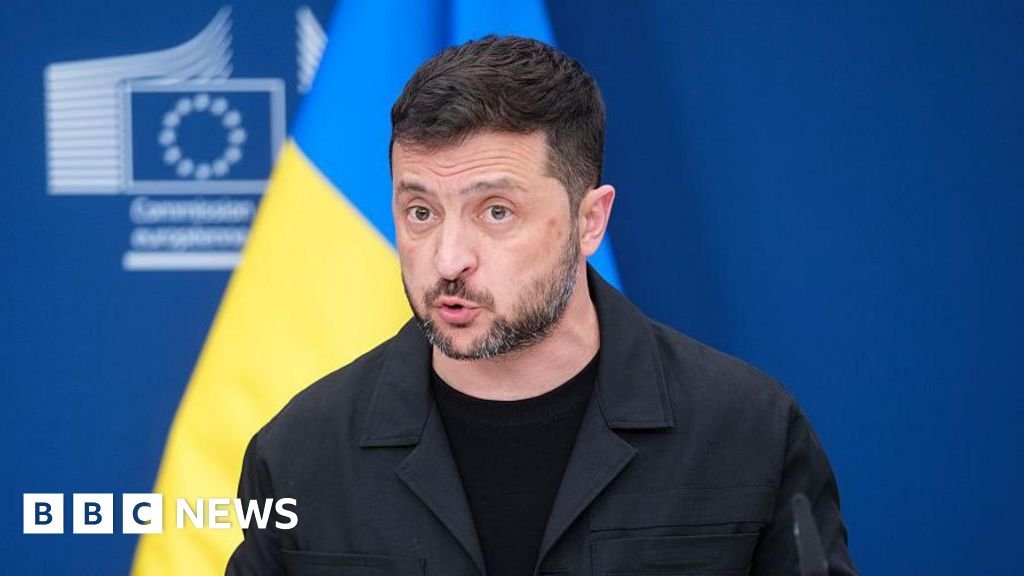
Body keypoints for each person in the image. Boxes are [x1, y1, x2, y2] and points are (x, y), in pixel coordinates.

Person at [227, 35, 856, 576]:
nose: (448, 259)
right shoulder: (299, 453)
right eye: (420, 212)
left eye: (496, 212)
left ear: (590, 221)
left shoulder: (748, 431)